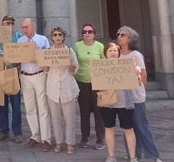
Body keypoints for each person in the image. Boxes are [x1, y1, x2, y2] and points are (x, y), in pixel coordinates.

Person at [117, 26, 164, 162]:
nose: (119, 36)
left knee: (141, 126)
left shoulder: (136, 55)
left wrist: (133, 82)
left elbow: (143, 77)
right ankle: (133, 153)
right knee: (128, 127)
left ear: (130, 38)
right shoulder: (117, 54)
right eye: (118, 34)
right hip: (122, 97)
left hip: (135, 96)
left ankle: (153, 155)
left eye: (123, 35)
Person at [98, 42, 138, 162]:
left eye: (115, 50)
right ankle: (111, 156)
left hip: (125, 102)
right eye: (110, 51)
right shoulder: (100, 67)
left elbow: (137, 77)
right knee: (109, 128)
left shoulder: (127, 65)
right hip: (107, 102)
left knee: (128, 129)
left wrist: (135, 70)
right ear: (105, 53)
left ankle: (133, 157)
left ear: (119, 53)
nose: (113, 53)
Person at [18, 17, 52, 152]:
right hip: (25, 76)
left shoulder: (42, 40)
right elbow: (15, 56)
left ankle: (46, 139)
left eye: (26, 27)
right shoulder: (20, 41)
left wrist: (37, 55)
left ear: (33, 27)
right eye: (23, 27)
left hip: (39, 75)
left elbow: (48, 57)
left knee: (43, 107)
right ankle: (35, 136)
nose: (24, 30)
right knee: (29, 107)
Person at [0, 15, 24, 143]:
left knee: (16, 106)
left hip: (14, 74)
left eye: (11, 23)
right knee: (2, 105)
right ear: (2, 24)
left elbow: (24, 55)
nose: (9, 25)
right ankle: (3, 130)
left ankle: (17, 133)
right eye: (6, 23)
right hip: (0, 74)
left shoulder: (19, 37)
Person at [46, 26, 79, 154]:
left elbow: (76, 68)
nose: (58, 37)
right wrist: (44, 65)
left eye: (60, 34)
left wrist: (71, 65)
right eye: (55, 35)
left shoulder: (69, 51)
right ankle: (58, 142)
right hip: (53, 88)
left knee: (70, 118)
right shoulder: (48, 51)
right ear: (52, 38)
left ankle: (70, 143)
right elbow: (45, 70)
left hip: (68, 88)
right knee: (55, 118)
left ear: (63, 37)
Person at [74, 22, 106, 150]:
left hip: (97, 83)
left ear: (94, 34)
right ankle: (84, 138)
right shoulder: (77, 46)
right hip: (81, 82)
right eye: (84, 32)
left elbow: (104, 63)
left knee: (99, 113)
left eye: (89, 32)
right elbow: (73, 61)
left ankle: (100, 138)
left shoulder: (100, 46)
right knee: (84, 112)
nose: (87, 34)